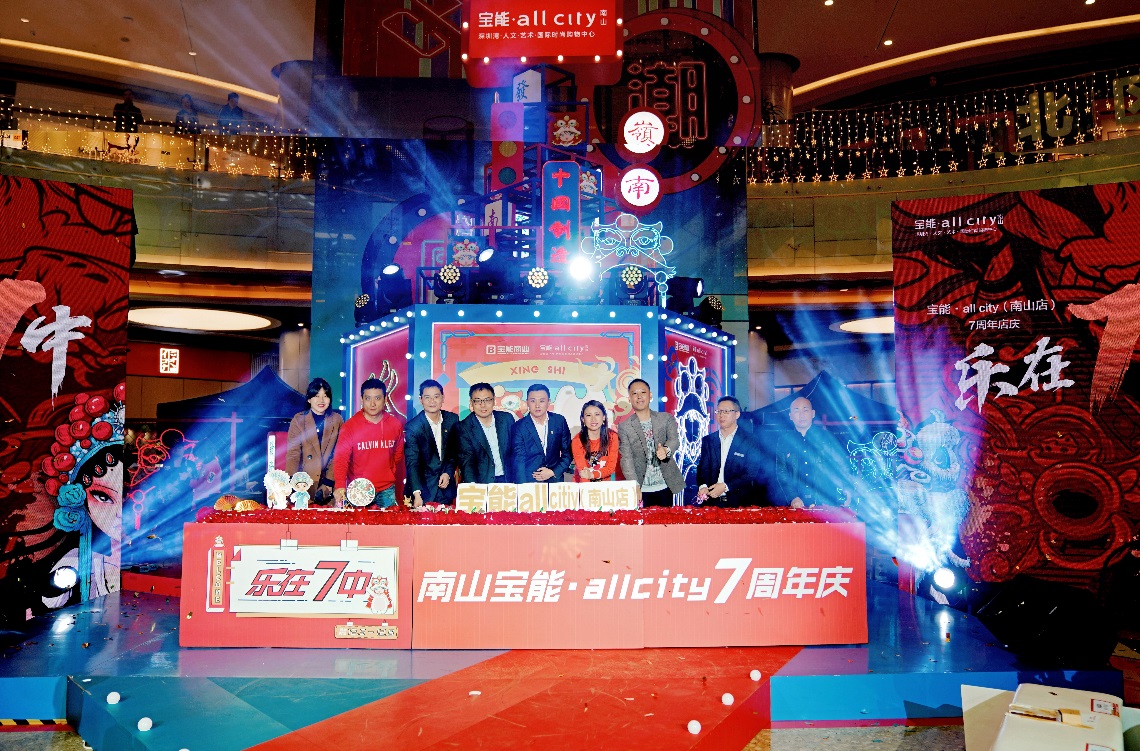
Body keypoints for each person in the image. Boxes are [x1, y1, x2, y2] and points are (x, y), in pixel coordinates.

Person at [333, 378, 405, 508]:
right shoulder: (350, 427)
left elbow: (398, 455)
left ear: (385, 399)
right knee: (357, 522)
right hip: (358, 489)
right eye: (368, 398)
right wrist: (340, 485)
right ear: (361, 399)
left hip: (386, 489)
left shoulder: (395, 425)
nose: (372, 404)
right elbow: (341, 459)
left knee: (390, 521)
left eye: (377, 398)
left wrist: (387, 471)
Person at [617, 379, 684, 506]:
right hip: (642, 488)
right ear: (629, 399)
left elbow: (674, 440)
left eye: (643, 392)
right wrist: (634, 485)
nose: (639, 396)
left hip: (666, 484)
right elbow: (626, 458)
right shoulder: (625, 426)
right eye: (634, 393)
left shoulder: (665, 418)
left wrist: (666, 450)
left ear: (650, 395)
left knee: (667, 518)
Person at [774, 396, 850, 508]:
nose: (801, 415)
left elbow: (841, 465)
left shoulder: (827, 438)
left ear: (813, 413)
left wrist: (847, 487)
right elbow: (781, 472)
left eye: (805, 410)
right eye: (796, 411)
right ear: (790, 416)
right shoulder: (784, 441)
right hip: (796, 503)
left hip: (825, 501)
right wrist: (792, 497)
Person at [696, 396, 768, 507]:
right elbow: (703, 468)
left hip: (739, 502)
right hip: (711, 503)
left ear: (737, 414)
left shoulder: (750, 440)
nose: (721, 415)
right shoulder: (708, 440)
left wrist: (725, 486)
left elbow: (751, 472)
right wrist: (703, 486)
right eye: (719, 411)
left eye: (726, 411)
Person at [286, 378, 343, 505]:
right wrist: (292, 482)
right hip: (303, 483)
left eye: (325, 396)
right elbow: (293, 454)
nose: (321, 400)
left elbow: (338, 453)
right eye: (317, 396)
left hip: (327, 483)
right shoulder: (298, 420)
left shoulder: (337, 420)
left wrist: (329, 482)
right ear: (309, 399)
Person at [404, 379, 459, 506]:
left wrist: (448, 472)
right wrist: (417, 494)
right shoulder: (413, 427)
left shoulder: (452, 420)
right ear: (420, 399)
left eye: (436, 397)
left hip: (445, 490)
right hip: (422, 491)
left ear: (443, 398)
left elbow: (453, 453)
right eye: (427, 397)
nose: (432, 401)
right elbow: (412, 462)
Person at [509, 383, 572, 484]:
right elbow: (518, 461)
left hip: (555, 480)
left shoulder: (559, 421)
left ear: (548, 402)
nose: (537, 405)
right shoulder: (518, 427)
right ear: (527, 402)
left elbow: (567, 452)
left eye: (542, 401)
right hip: (530, 482)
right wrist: (522, 487)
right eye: (533, 401)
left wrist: (553, 472)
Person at [457, 382, 514, 484]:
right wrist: (473, 486)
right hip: (482, 482)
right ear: (471, 402)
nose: (483, 405)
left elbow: (516, 451)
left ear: (494, 401)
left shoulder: (506, 419)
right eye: (478, 401)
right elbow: (467, 461)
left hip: (508, 479)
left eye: (487, 400)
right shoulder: (464, 427)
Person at [572, 400, 620, 482]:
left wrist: (593, 475)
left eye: (597, 414)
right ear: (583, 419)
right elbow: (583, 472)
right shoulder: (577, 440)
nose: (593, 419)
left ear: (604, 417)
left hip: (603, 485)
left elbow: (611, 467)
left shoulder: (612, 436)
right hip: (582, 484)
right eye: (588, 415)